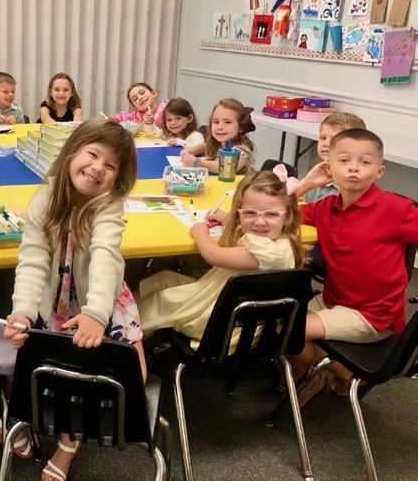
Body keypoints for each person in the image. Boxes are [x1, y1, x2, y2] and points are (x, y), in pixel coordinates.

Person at [0, 119, 145, 481]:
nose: (98, 168)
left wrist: (97, 313)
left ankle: (68, 443)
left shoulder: (108, 205)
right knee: (62, 372)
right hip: (60, 301)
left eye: (110, 165)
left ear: (118, 178)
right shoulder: (44, 199)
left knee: (131, 377)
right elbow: (33, 260)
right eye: (93, 155)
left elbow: (105, 257)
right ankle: (38, 424)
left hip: (102, 300)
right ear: (71, 153)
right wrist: (23, 312)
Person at [292, 129, 418, 405]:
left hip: (373, 314)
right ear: (328, 167)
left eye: (365, 161)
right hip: (332, 300)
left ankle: (333, 375)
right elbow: (281, 213)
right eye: (344, 160)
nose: (353, 168)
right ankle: (329, 374)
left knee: (293, 331)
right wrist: (307, 183)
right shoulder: (326, 207)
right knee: (280, 324)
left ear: (379, 171)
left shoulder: (395, 208)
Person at [137, 169, 306, 345]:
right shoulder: (279, 239)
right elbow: (251, 229)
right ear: (239, 213)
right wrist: (227, 219)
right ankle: (129, 310)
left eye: (271, 214)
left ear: (287, 216)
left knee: (159, 302)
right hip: (224, 301)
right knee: (164, 278)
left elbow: (213, 255)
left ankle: (130, 334)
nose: (259, 221)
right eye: (249, 213)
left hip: (222, 324)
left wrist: (199, 232)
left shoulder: (268, 253)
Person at [296, 112, 366, 203]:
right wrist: (307, 183)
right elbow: (285, 203)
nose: (325, 143)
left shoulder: (353, 188)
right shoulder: (317, 174)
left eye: (334, 140)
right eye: (323, 138)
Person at [180, 97, 256, 174]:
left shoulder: (242, 150)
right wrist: (190, 151)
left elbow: (227, 167)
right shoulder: (219, 145)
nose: (220, 127)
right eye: (216, 122)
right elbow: (204, 146)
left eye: (227, 122)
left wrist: (196, 162)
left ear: (240, 127)